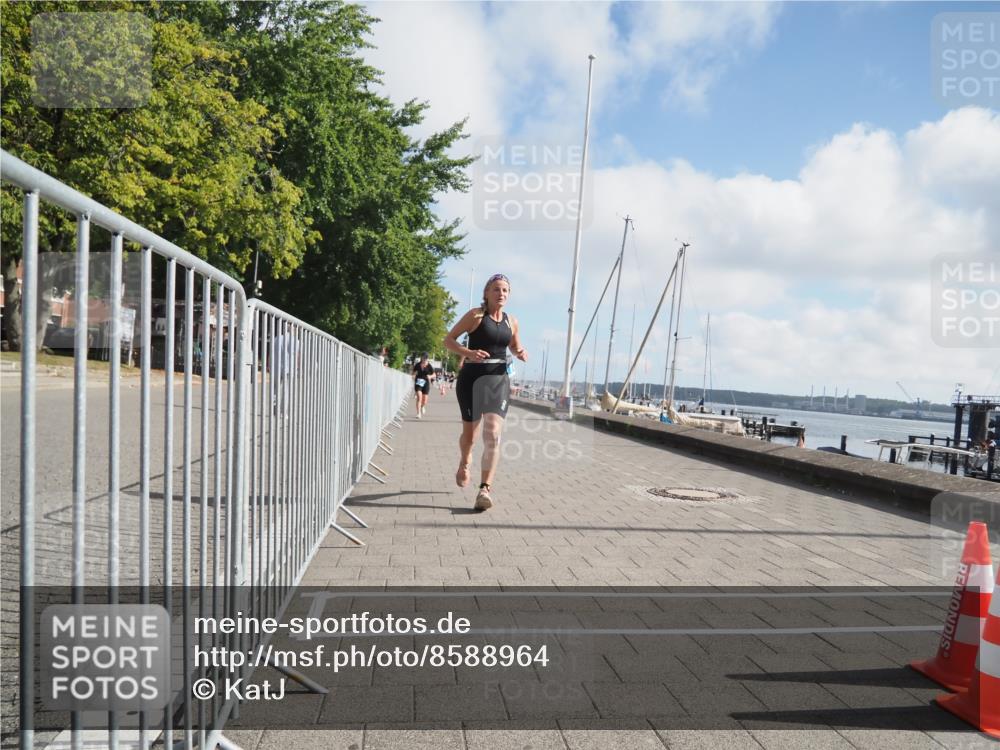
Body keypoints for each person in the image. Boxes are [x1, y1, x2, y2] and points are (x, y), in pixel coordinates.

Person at [443, 273, 528, 511]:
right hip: (471, 379)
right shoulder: (475, 316)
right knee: (470, 437)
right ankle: (464, 461)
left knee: (492, 434)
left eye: (505, 290)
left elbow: (513, 344)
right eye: (496, 289)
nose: (501, 293)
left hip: (498, 381)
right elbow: (448, 340)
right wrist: (468, 353)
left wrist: (520, 352)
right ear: (487, 293)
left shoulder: (512, 321)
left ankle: (484, 489)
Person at [412, 352, 435, 419]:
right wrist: (413, 375)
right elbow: (413, 373)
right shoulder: (417, 365)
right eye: (424, 357)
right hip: (418, 383)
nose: (425, 359)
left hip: (426, 383)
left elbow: (434, 375)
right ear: (421, 357)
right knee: (419, 397)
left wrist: (430, 376)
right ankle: (418, 413)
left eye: (426, 358)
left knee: (424, 401)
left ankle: (422, 406)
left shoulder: (429, 366)